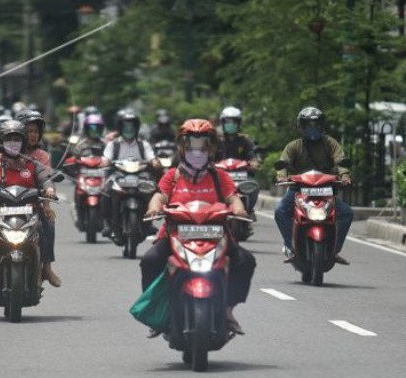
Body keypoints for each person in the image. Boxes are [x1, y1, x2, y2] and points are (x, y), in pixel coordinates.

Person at [140, 119, 256, 335]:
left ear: (212, 148)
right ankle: (157, 312)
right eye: (191, 145)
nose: (197, 151)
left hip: (216, 235)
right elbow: (159, 196)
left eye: (203, 145)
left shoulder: (220, 176)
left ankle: (229, 310)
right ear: (182, 147)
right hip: (175, 235)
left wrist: (239, 210)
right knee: (150, 261)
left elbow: (233, 197)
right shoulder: (172, 175)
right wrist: (153, 208)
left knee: (246, 260)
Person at [0, 120, 61, 287]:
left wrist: (49, 189)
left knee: (45, 227)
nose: (13, 144)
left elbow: (45, 178)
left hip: (30, 209)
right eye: (9, 140)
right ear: (1, 143)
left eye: (17, 140)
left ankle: (45, 269)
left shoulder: (33, 162)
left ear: (23, 143)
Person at [275, 106, 353, 265]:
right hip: (299, 190)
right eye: (308, 124)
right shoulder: (294, 146)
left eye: (316, 124)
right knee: (280, 211)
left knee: (346, 213)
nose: (312, 128)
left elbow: (340, 161)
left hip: (326, 191)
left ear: (322, 125)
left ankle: (334, 250)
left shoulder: (330, 143)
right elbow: (283, 163)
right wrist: (282, 176)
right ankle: (291, 246)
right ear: (301, 126)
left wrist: (344, 175)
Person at [101, 110, 157, 240]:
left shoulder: (144, 144)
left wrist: (154, 162)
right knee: (105, 193)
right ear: (120, 128)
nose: (129, 129)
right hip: (118, 175)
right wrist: (104, 162)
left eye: (131, 126)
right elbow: (106, 159)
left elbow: (152, 158)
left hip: (140, 176)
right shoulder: (113, 144)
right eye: (125, 126)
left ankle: (149, 223)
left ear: (136, 128)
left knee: (151, 190)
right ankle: (108, 224)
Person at [216, 106, 260, 218]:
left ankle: (249, 210)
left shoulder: (245, 140)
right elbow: (209, 157)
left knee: (253, 186)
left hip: (241, 176)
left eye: (234, 122)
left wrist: (254, 163)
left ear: (239, 123)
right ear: (222, 123)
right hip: (220, 175)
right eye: (228, 121)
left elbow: (253, 156)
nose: (231, 124)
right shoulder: (216, 141)